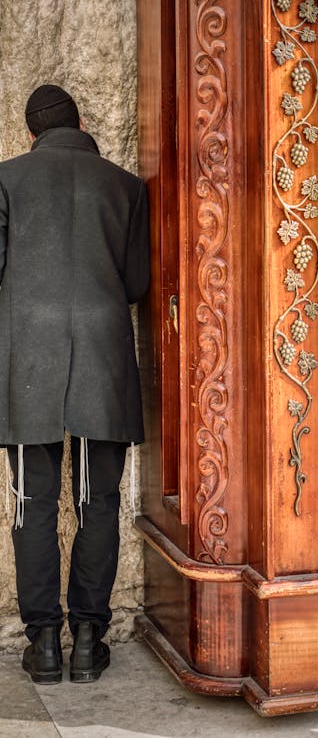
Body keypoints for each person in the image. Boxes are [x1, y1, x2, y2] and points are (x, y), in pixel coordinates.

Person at [0, 85, 150, 684]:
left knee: (31, 504)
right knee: (97, 500)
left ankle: (42, 645)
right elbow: (137, 283)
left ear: (30, 132)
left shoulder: (5, 179)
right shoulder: (126, 187)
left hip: (25, 366)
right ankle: (88, 639)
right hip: (102, 362)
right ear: (81, 122)